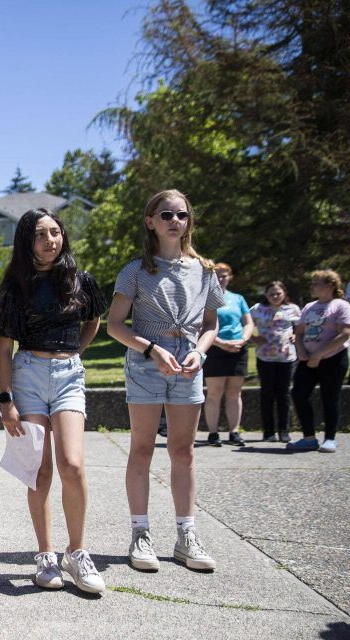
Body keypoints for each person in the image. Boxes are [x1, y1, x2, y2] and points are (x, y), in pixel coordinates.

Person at [0, 209, 108, 594]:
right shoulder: (13, 288)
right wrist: (6, 400)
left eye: (56, 232)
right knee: (39, 470)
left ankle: (77, 553)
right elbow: (3, 350)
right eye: (41, 234)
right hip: (28, 375)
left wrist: (77, 351)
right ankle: (46, 556)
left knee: (72, 464)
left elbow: (93, 321)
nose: (50, 240)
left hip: (69, 376)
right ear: (27, 241)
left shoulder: (80, 281)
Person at [107, 189, 225, 573]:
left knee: (183, 450)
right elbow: (114, 326)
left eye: (183, 214)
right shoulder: (135, 270)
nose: (176, 220)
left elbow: (211, 324)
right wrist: (152, 350)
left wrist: (201, 352)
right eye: (167, 214)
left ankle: (186, 536)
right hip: (146, 365)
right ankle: (140, 533)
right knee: (142, 448)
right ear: (150, 222)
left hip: (189, 366)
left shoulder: (204, 271)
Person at [286, 270, 350, 452]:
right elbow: (298, 333)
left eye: (316, 283)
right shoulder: (309, 306)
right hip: (307, 359)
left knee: (330, 397)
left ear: (330, 285)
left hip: (333, 359)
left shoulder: (341, 306)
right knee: (298, 393)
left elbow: (344, 333)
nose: (312, 286)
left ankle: (330, 439)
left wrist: (318, 355)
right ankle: (309, 438)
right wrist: (301, 351)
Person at [202, 263, 253, 446]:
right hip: (215, 348)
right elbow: (201, 326)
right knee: (214, 393)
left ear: (230, 276)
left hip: (237, 349)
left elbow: (248, 322)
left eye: (224, 275)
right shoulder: (205, 297)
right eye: (217, 275)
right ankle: (213, 433)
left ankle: (234, 432)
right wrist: (221, 343)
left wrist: (243, 339)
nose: (221, 278)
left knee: (234, 392)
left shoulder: (237, 298)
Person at [249, 281, 300, 442]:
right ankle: (268, 431)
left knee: (283, 393)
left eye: (278, 293)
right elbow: (244, 324)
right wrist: (253, 337)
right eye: (271, 293)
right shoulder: (257, 309)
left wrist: (296, 335)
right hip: (265, 357)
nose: (275, 296)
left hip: (286, 357)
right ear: (266, 294)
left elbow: (301, 328)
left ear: (284, 293)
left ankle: (284, 430)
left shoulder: (292, 309)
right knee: (267, 393)